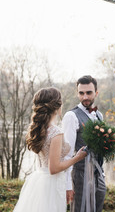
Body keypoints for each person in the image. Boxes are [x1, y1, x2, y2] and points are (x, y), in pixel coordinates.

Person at [13, 87, 87, 212]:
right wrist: (77, 158)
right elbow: (54, 168)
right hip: (51, 185)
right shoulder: (55, 132)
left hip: (39, 179)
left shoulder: (38, 129)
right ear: (57, 107)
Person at [62, 75, 106, 212]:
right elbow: (66, 154)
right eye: (81, 93)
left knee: (97, 208)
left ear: (96, 93)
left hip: (98, 173)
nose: (85, 97)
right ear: (77, 93)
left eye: (89, 93)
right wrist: (68, 184)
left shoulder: (99, 115)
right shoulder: (71, 116)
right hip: (80, 175)